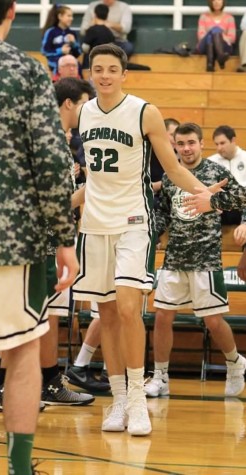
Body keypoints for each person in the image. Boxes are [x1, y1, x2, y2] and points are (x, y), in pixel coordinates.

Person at [71, 44, 224, 437]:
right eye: (98, 69)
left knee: (127, 307)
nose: (104, 75)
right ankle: (119, 399)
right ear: (91, 73)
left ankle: (138, 400)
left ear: (125, 74)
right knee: (104, 315)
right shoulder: (84, 113)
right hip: (94, 223)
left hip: (135, 221)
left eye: (111, 69)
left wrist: (208, 194)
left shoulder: (144, 112)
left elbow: (172, 167)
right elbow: (92, 179)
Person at [0, 1, 79, 474]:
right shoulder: (27, 72)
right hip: (15, 237)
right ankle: (19, 467)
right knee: (23, 350)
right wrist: (63, 236)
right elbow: (51, 160)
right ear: (12, 12)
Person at [0, 78, 97, 412]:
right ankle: (0, 388)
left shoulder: (58, 140)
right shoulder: (46, 139)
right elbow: (58, 202)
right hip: (35, 241)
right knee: (28, 315)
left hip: (48, 239)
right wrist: (97, 184)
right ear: (68, 104)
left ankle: (49, 382)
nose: (88, 110)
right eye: (83, 103)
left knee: (47, 314)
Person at [144, 122, 246, 399]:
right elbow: (164, 212)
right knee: (162, 317)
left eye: (192, 143)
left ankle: (235, 363)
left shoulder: (216, 172)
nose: (186, 148)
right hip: (174, 257)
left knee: (213, 322)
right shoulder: (169, 176)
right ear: (174, 146)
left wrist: (216, 201)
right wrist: (151, 230)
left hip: (206, 259)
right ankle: (161, 376)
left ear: (202, 144)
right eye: (181, 143)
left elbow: (242, 198)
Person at [208, 125, 246, 224]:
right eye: (216, 144)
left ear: (233, 140)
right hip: (221, 206)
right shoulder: (211, 162)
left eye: (222, 143)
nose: (219, 148)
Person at [41, 4, 81, 76]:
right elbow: (45, 51)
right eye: (68, 16)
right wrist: (60, 51)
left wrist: (74, 44)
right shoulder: (51, 32)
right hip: (54, 65)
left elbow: (77, 54)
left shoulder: (72, 33)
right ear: (60, 16)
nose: (71, 18)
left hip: (70, 64)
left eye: (72, 16)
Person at [196, 0, 236, 72]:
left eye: (219, 0)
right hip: (205, 46)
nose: (216, 2)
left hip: (224, 47)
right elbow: (201, 36)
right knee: (215, 31)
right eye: (214, 0)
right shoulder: (203, 17)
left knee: (213, 34)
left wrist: (219, 36)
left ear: (223, 2)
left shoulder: (229, 18)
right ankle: (220, 57)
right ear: (210, 2)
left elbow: (232, 38)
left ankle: (210, 64)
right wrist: (216, 33)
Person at [151, 118, 180, 210]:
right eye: (172, 135)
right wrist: (164, 183)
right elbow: (140, 188)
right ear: (162, 134)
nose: (175, 139)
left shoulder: (181, 154)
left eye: (177, 136)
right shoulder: (147, 156)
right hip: (155, 199)